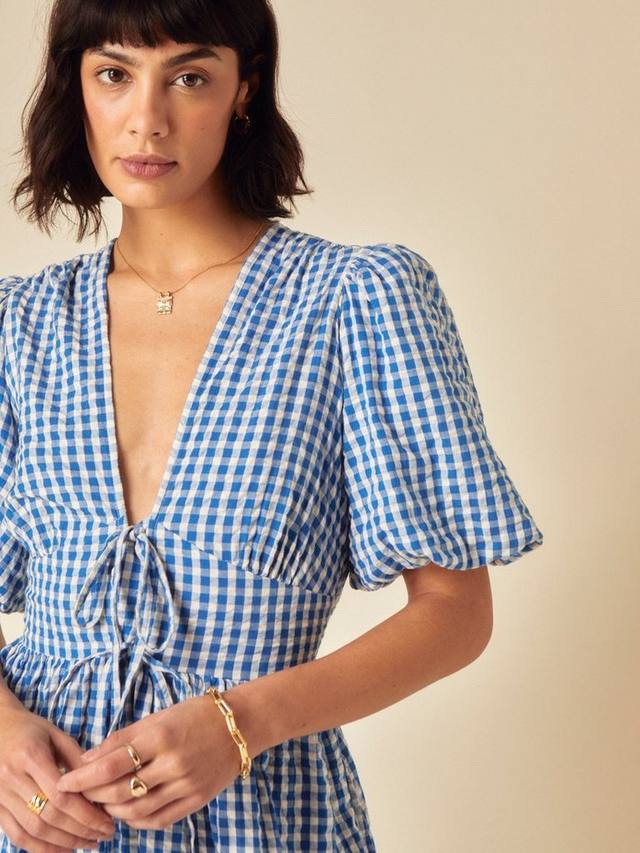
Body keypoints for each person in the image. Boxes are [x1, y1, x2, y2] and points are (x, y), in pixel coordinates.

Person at [0, 1, 544, 851]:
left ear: (243, 91)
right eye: (114, 74)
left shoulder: (355, 301)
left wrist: (239, 722)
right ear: (78, 89)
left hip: (262, 816)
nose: (147, 118)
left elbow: (455, 611)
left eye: (189, 76)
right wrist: (3, 732)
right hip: (39, 821)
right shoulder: (19, 325)